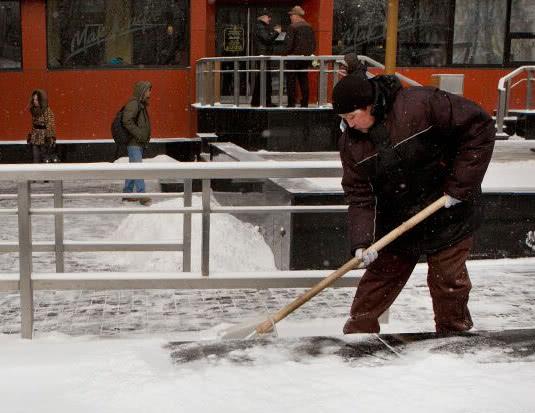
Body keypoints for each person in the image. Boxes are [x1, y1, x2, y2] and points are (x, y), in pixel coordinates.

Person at [332, 73, 496, 334]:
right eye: (343, 120)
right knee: (375, 285)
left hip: (448, 211)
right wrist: (362, 243)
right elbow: (360, 194)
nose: (349, 125)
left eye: (352, 116)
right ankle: (358, 339)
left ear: (369, 105)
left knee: (448, 282)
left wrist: (459, 187)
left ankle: (454, 341)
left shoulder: (420, 104)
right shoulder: (351, 145)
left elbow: (480, 127)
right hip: (399, 220)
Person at [122, 81, 153, 206]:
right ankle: (142, 195)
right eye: (148, 90)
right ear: (142, 91)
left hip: (138, 143)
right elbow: (127, 120)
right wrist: (139, 134)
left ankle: (127, 194)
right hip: (134, 142)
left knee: (133, 168)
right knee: (138, 169)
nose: (150, 93)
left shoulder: (140, 104)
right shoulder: (134, 104)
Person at [285, 5, 316, 108]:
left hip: (293, 58)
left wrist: (284, 54)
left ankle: (291, 103)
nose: (290, 17)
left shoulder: (292, 27)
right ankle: (304, 103)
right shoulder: (309, 27)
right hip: (305, 58)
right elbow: (313, 44)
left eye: (291, 15)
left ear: (296, 16)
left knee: (291, 81)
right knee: (304, 80)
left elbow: (288, 45)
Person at [251, 8, 281, 107]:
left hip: (262, 56)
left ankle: (256, 101)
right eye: (268, 17)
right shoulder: (260, 26)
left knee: (261, 79)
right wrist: (276, 32)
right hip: (263, 57)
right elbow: (267, 39)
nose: (270, 19)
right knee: (266, 80)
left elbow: (266, 39)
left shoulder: (260, 26)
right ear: (263, 17)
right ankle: (266, 101)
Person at [27, 89, 57, 163]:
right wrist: (30, 136)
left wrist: (50, 137)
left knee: (45, 158)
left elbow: (50, 124)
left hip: (45, 138)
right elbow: (34, 124)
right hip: (35, 137)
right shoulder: (34, 110)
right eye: (34, 99)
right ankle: (36, 172)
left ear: (41, 100)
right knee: (35, 157)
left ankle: (45, 173)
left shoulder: (47, 111)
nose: (35, 101)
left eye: (37, 100)